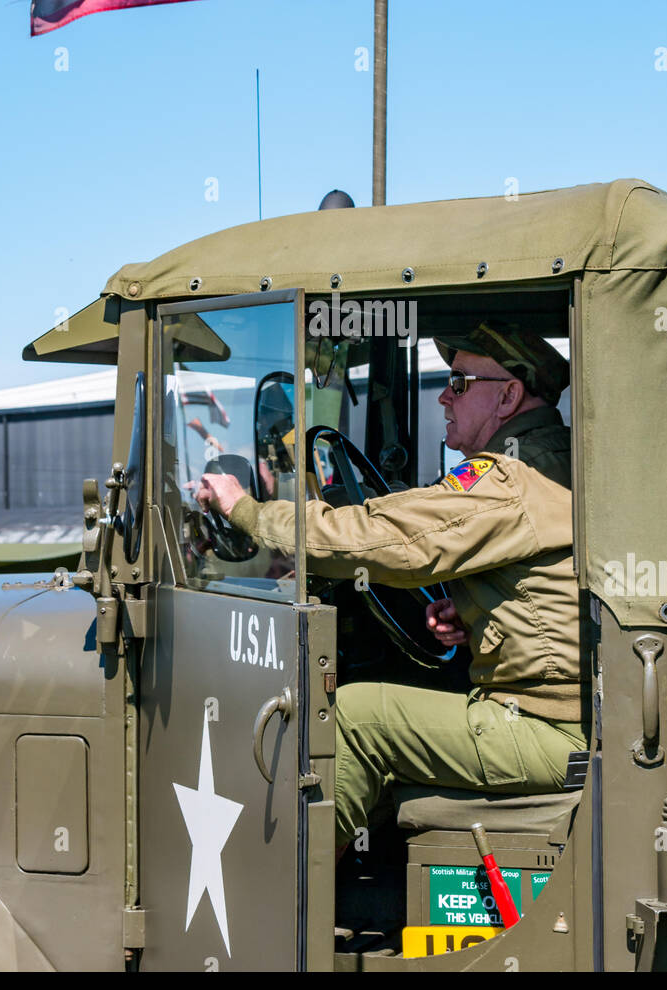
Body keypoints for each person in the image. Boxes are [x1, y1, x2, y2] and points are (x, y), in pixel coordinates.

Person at [196, 322, 588, 851]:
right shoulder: (553, 459)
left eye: (460, 382)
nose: (445, 396)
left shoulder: (509, 478)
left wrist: (246, 510)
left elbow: (390, 540)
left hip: (550, 728)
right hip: (567, 715)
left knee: (356, 717)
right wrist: (476, 617)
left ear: (509, 395)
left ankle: (282, 911)